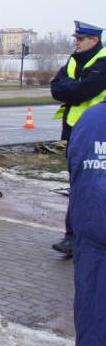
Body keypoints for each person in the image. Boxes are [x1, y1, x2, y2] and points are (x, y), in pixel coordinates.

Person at [50, 20, 106, 256]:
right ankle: (72, 237)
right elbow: (56, 88)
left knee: (92, 185)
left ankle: (83, 237)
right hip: (75, 133)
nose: (76, 42)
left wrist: (72, 88)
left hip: (99, 133)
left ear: (94, 40)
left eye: (80, 39)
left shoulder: (102, 62)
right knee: (78, 185)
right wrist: (73, 88)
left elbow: (83, 91)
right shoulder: (74, 61)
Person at [64, 99, 106, 346]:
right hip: (96, 249)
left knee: (97, 336)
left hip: (93, 249)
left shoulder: (90, 121)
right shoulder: (93, 123)